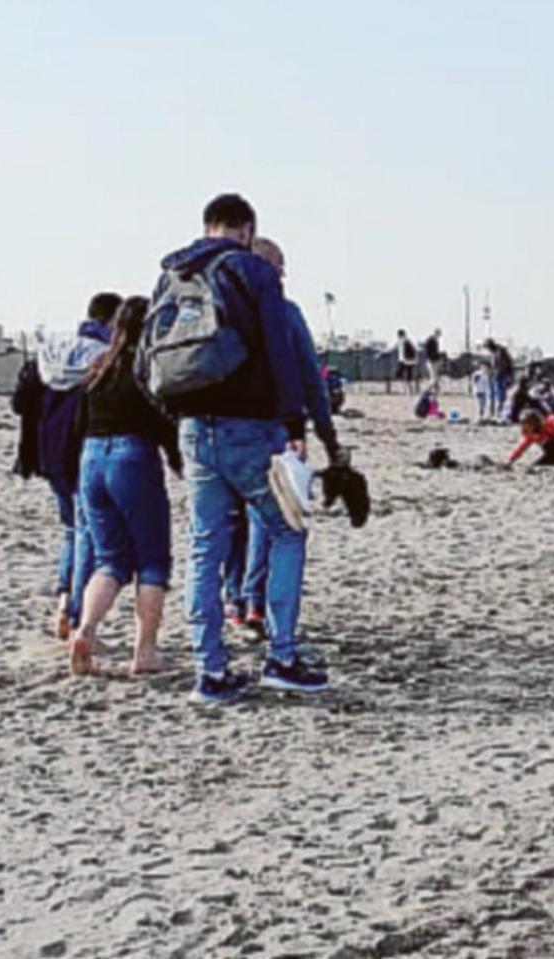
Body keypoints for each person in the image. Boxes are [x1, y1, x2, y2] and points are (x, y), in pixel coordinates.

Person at [155, 193, 341, 704]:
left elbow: (152, 358)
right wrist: (293, 424)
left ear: (206, 225)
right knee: (286, 530)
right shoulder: (252, 272)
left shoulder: (173, 272)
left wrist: (176, 420)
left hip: (194, 426)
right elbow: (281, 353)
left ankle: (209, 669)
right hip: (250, 427)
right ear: (247, 229)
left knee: (205, 544)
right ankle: (281, 655)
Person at [67, 297, 183, 676]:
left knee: (110, 559)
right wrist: (181, 463)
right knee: (152, 560)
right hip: (133, 457)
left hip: (92, 458)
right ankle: (145, 652)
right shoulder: (146, 368)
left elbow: (79, 422)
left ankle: (85, 629)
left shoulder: (100, 367)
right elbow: (164, 423)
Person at [27, 293, 117, 638]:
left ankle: (64, 602)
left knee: (71, 530)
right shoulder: (103, 357)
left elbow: (23, 402)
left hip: (49, 448)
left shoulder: (51, 350)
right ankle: (76, 611)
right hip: (82, 447)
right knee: (87, 534)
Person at [486, 338, 513, 420]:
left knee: (501, 395)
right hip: (494, 376)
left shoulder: (501, 352)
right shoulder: (493, 353)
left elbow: (506, 364)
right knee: (492, 395)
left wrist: (509, 376)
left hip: (501, 376)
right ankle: (493, 412)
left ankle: (500, 412)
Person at [395, 328, 419, 393]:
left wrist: (382, 354)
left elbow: (392, 348)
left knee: (399, 375)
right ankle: (409, 390)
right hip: (410, 361)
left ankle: (405, 389)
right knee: (409, 376)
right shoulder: (408, 341)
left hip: (403, 361)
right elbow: (416, 350)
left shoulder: (401, 341)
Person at [423, 327, 444, 394]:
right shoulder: (431, 340)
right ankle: (426, 390)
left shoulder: (433, 340)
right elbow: (429, 352)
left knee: (435, 377)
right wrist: (435, 358)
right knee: (434, 378)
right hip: (432, 361)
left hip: (433, 361)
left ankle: (437, 390)